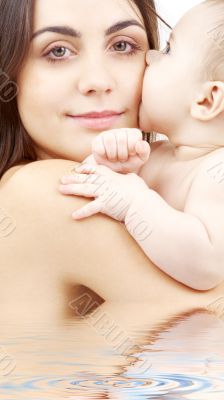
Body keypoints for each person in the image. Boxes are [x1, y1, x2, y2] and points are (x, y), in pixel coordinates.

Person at [0, 0, 223, 324]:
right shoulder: (41, 192)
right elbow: (205, 328)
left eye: (122, 45)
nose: (98, 80)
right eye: (58, 51)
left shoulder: (165, 165)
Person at [59, 0, 224, 291]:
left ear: (206, 100)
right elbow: (92, 186)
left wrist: (134, 201)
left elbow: (206, 267)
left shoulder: (216, 171)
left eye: (169, 50)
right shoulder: (158, 154)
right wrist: (113, 163)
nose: (150, 56)